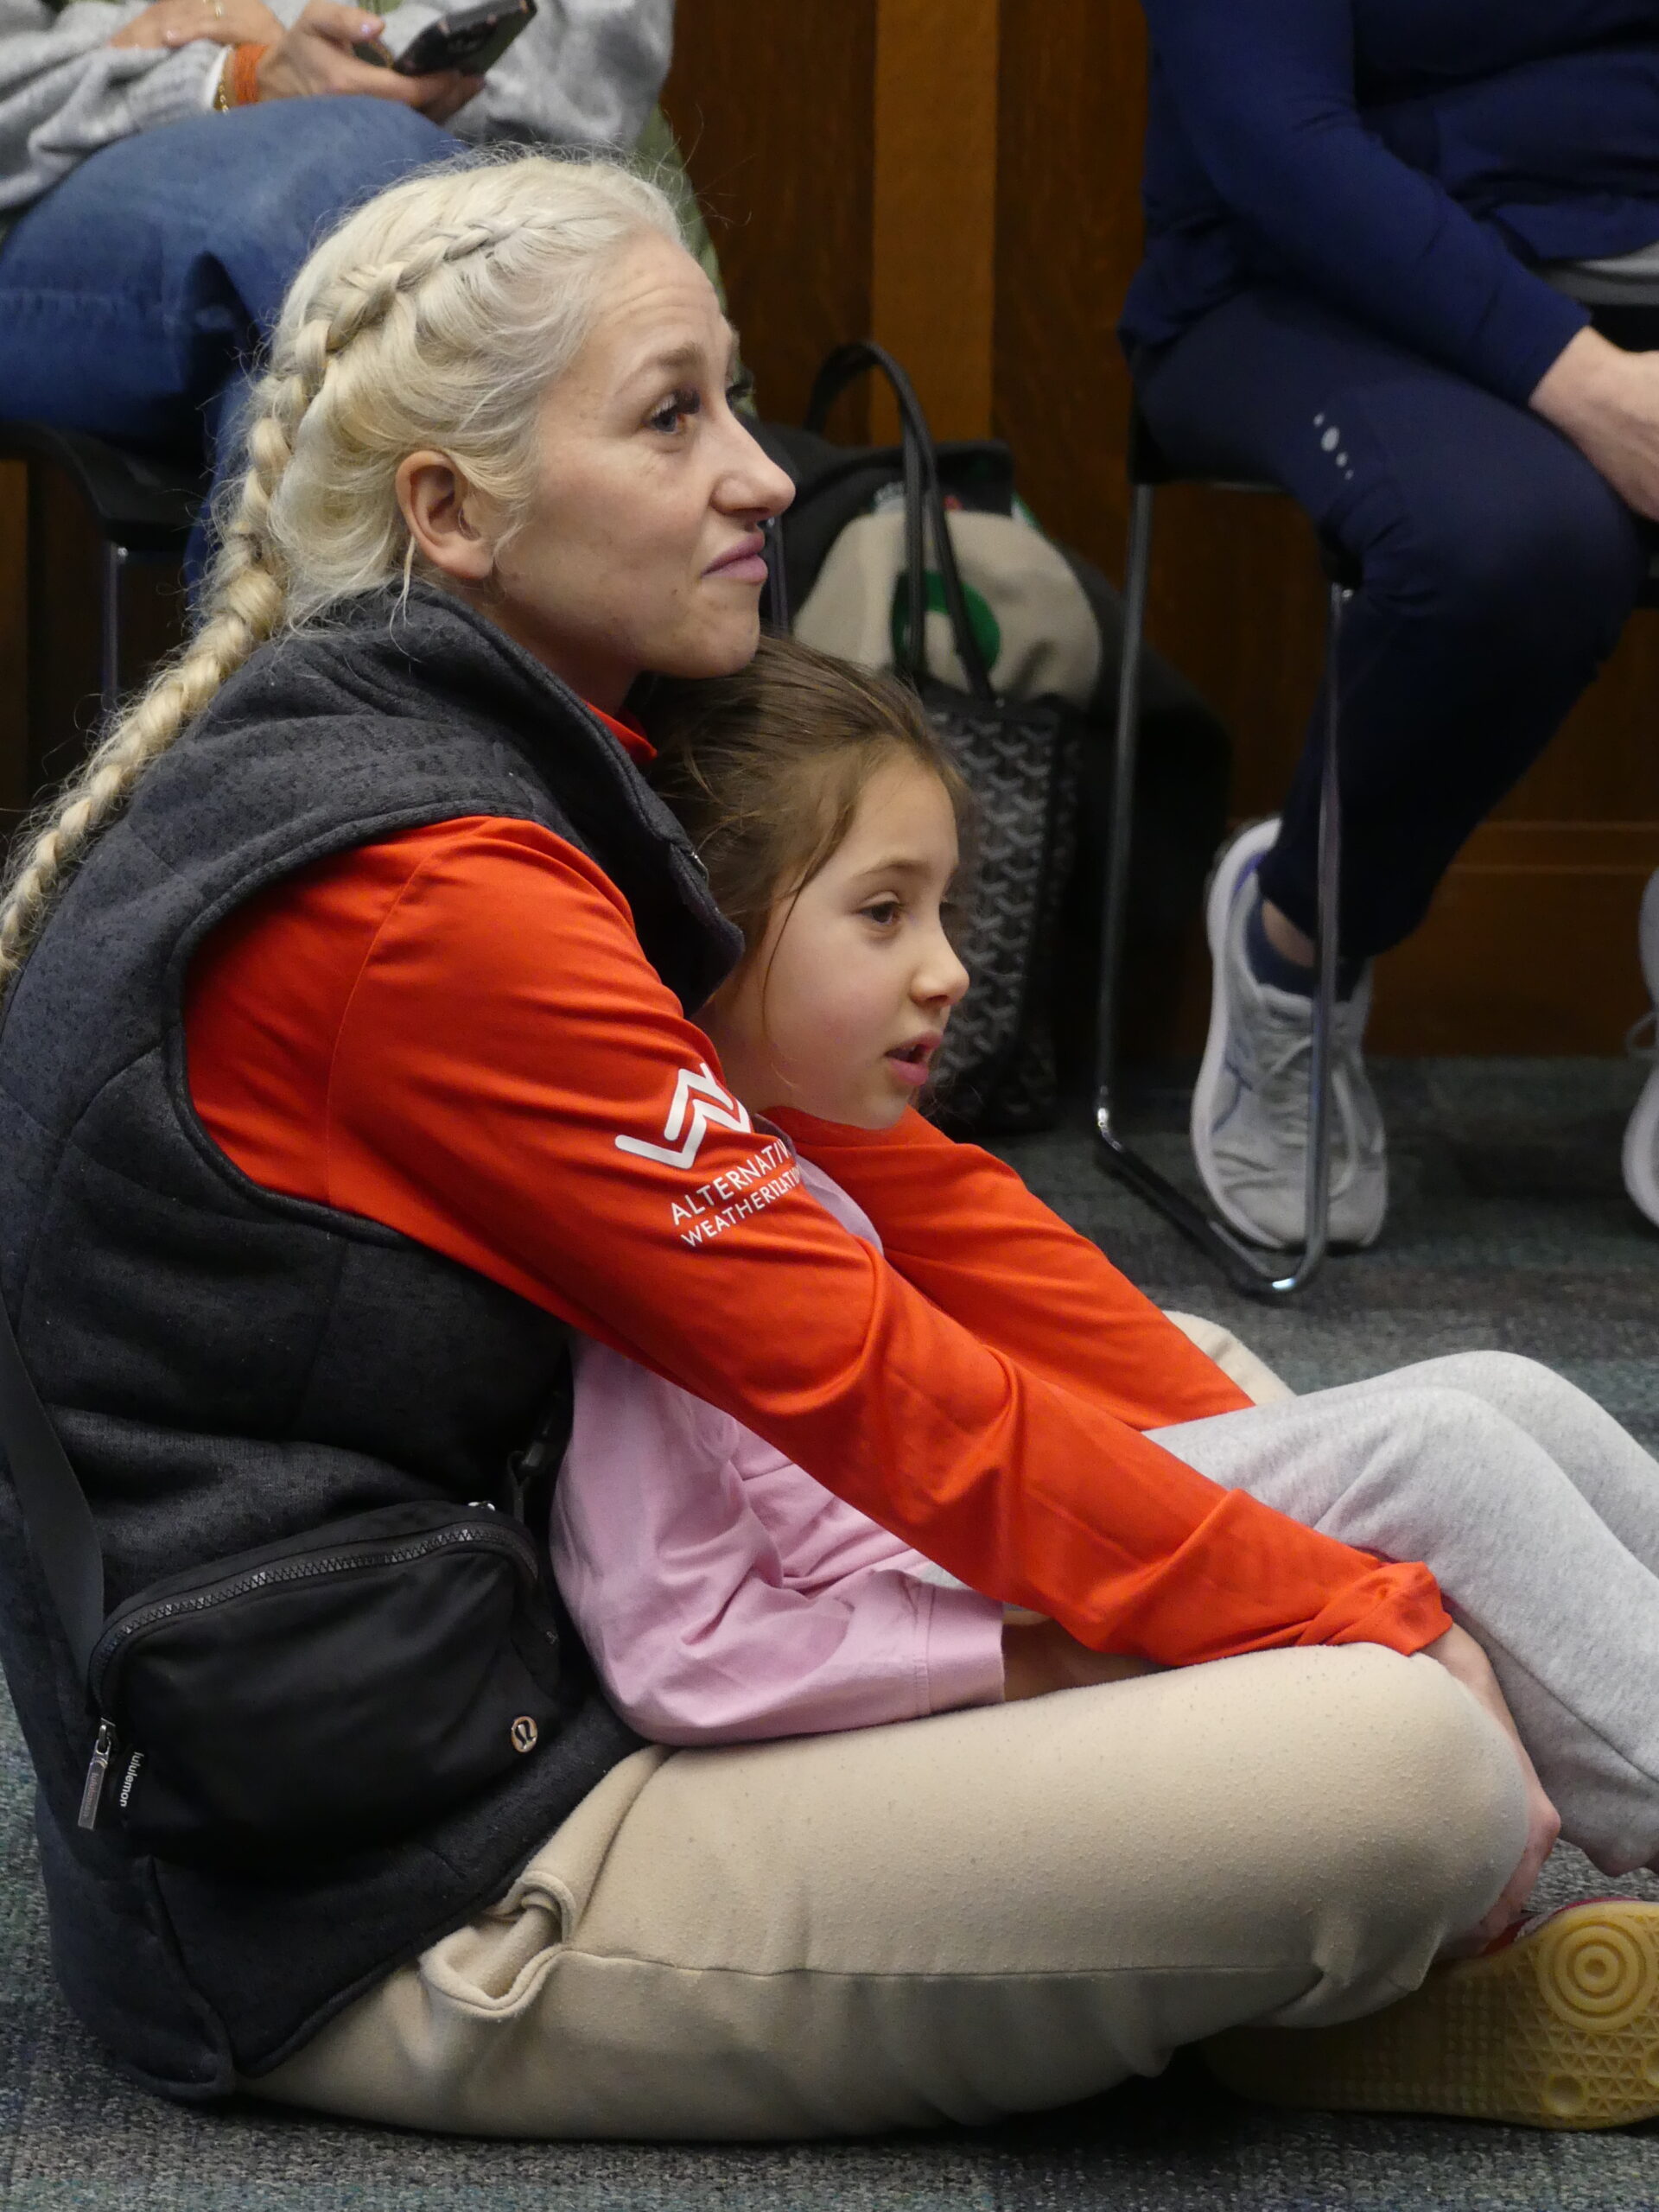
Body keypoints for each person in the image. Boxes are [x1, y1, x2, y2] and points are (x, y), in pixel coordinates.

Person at [0, 149, 1555, 2139]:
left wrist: (1254, 1484)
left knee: (1248, 1398)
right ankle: (1314, 1913)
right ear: (451, 510)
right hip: (409, 1883)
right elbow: (871, 1381)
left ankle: (1246, 1919)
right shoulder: (431, 892)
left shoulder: (521, 748)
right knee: (1402, 1762)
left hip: (554, 1654)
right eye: (671, 418)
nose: (758, 473)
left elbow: (918, 1206)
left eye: (731, 399)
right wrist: (1367, 1609)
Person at [552, 624, 1659, 1888]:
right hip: (940, 1596)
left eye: (942, 910)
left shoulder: (784, 1157)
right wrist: (1029, 1655)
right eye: (883, 912)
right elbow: (679, 1640)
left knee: (1503, 1392)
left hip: (968, 1535)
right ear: (708, 923)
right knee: (1437, 1455)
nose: (950, 970)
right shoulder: (660, 1225)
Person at [1128, 0, 1659, 1253]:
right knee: (1515, 548)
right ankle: (1295, 946)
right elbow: (1276, 139)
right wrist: (1602, 394)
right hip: (1321, 277)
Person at [0, 0, 673, 573]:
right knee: (340, 217)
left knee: (319, 324)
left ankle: (301, 684)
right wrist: (232, 76)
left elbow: (577, 63)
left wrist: (367, 71)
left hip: (481, 195)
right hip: (64, 191)